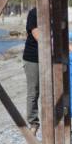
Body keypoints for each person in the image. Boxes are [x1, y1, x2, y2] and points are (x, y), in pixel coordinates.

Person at [23, 7, 40, 135]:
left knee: (51, 90)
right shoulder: (34, 13)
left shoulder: (55, 13)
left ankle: (54, 120)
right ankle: (33, 123)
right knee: (33, 91)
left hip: (50, 57)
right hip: (33, 57)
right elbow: (37, 34)